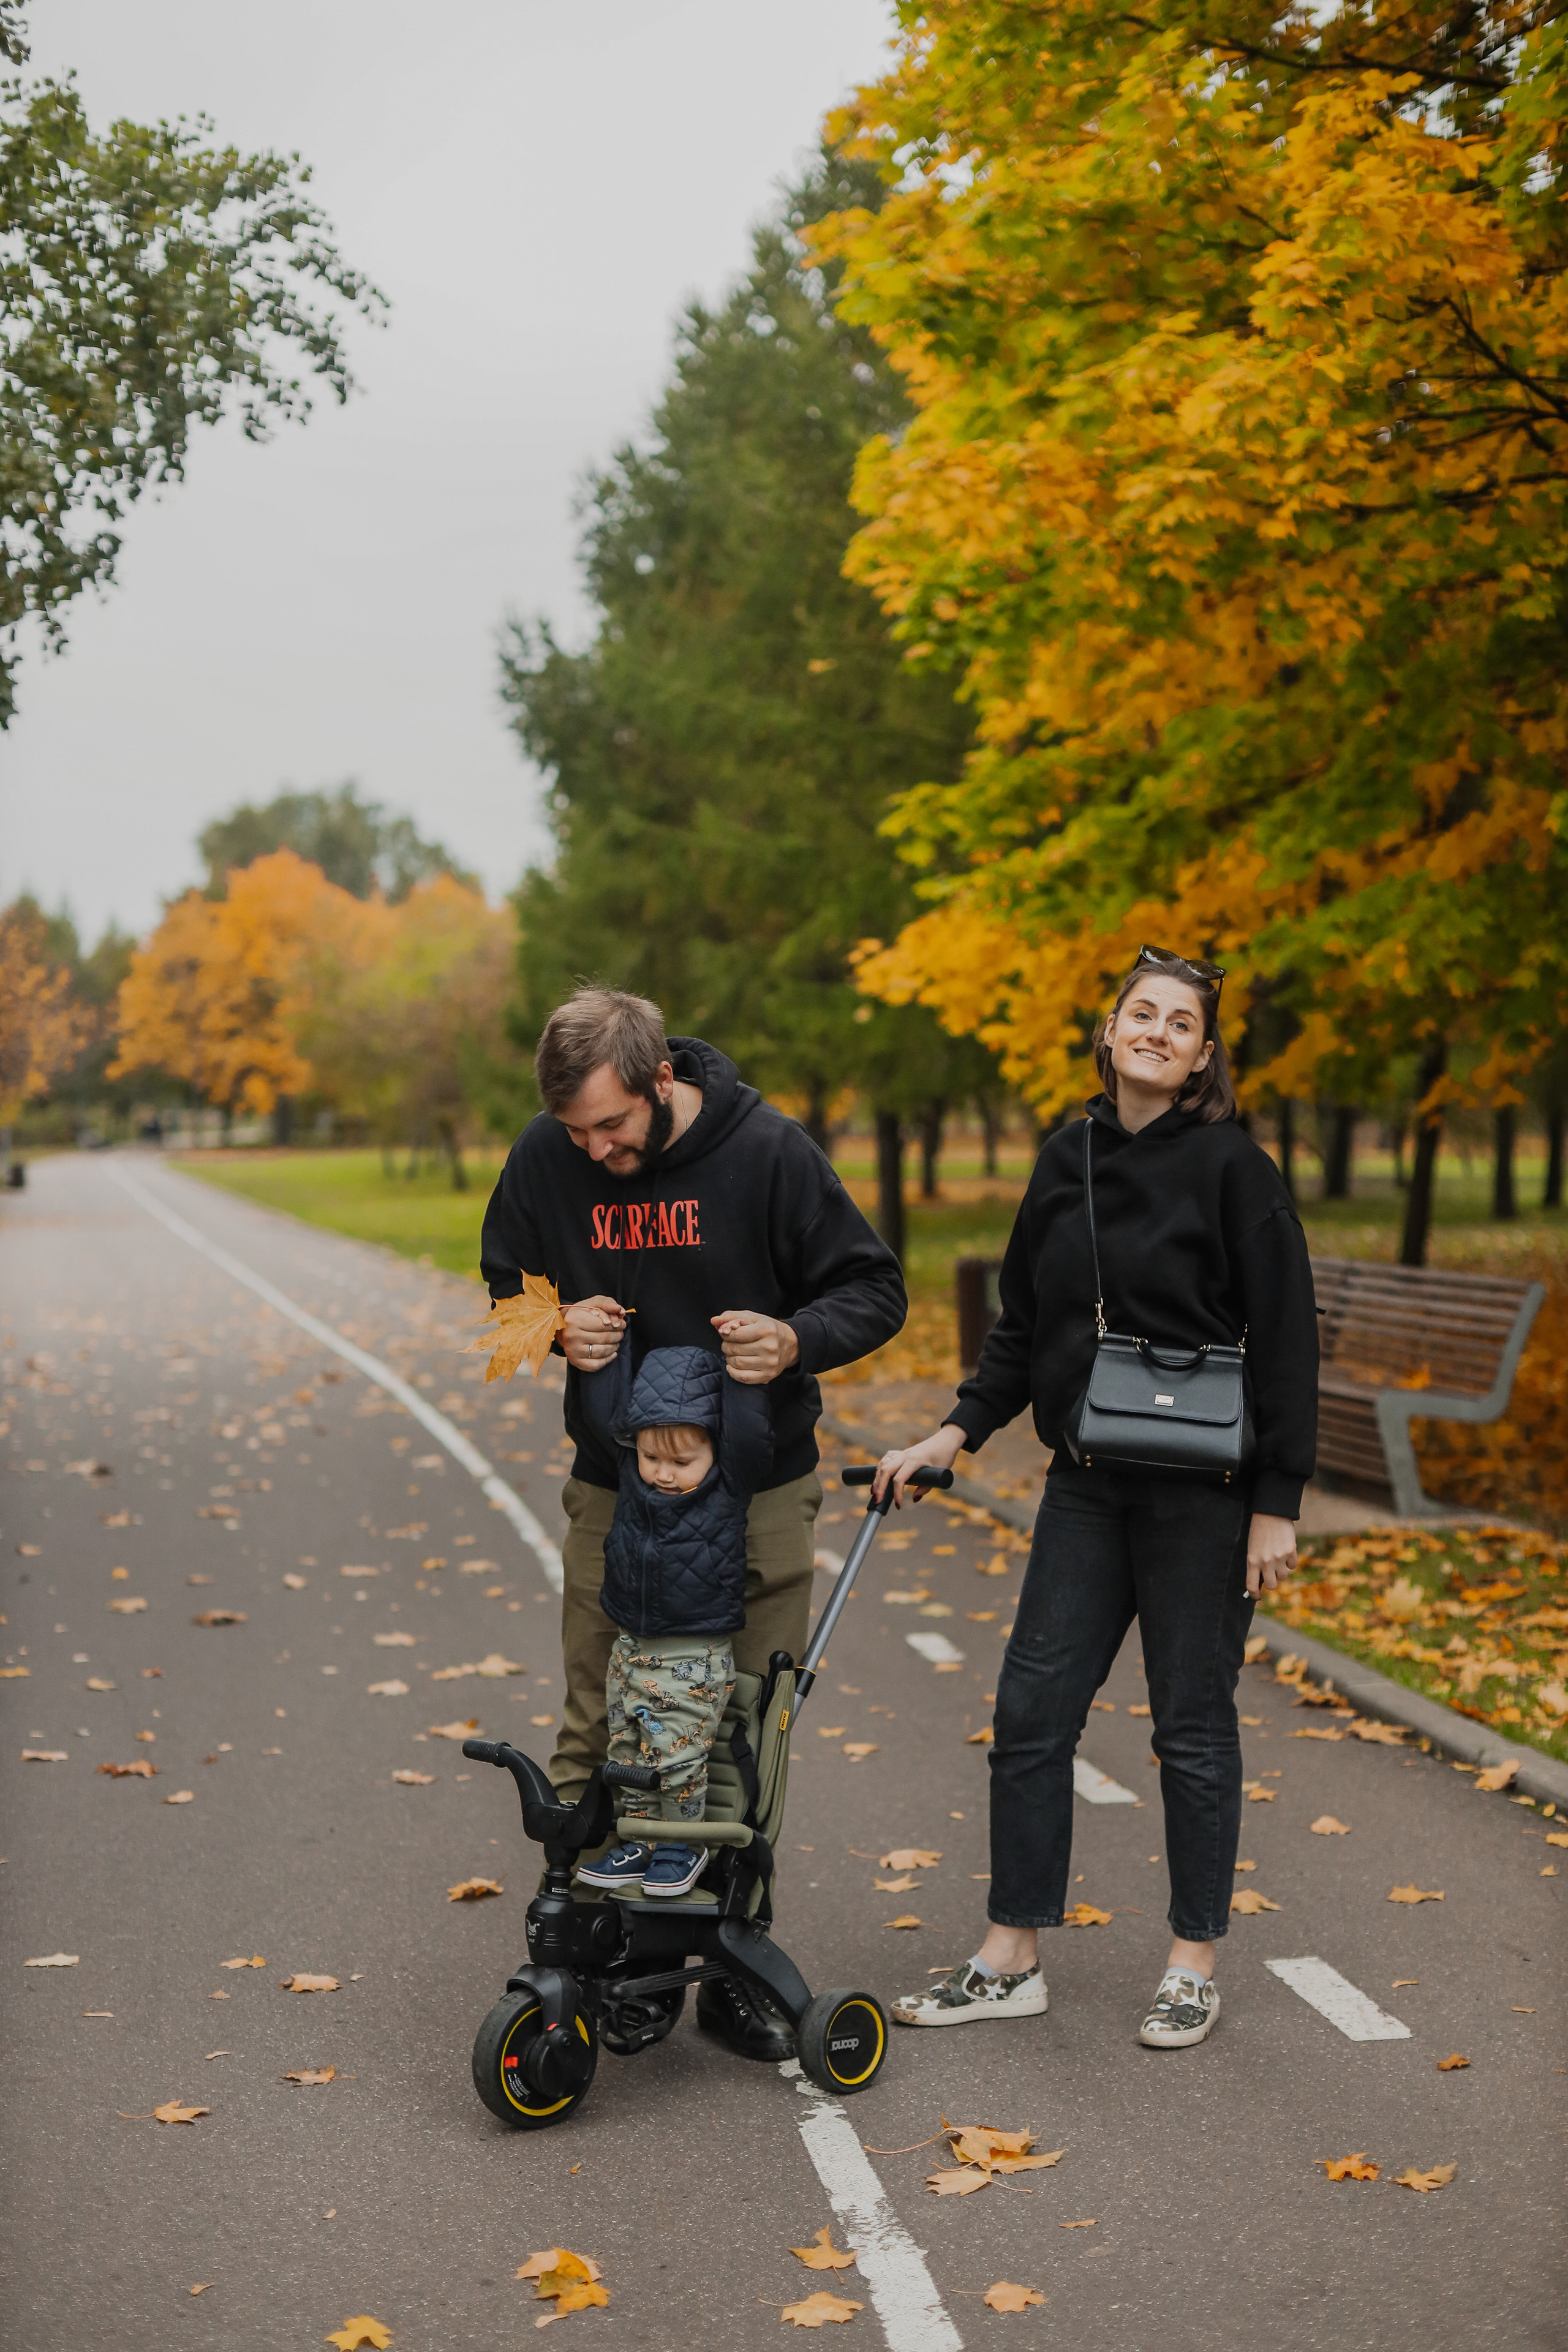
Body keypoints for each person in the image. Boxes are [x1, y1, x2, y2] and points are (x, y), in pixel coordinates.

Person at [873, 949, 1317, 2051]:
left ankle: (1192, 1961)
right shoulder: (1064, 1159)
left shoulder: (1236, 1171)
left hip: (1205, 1500)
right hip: (1085, 1488)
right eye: (1141, 1014)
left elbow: (1292, 1343)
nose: (1158, 1032)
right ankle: (1011, 1953)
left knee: (1192, 1728)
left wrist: (1279, 1500)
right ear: (1110, 1032)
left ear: (1205, 1056)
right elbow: (1027, 1325)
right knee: (1030, 1717)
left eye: (1182, 1022)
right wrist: (956, 1429)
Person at [480, 986, 907, 2057]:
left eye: (611, 1126)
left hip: (758, 1491)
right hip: (614, 1486)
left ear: (661, 1079)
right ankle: (605, 1954)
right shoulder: (546, 1157)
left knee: (747, 1723)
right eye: (576, 1130)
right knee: (602, 1714)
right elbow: (503, 1291)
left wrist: (796, 1338)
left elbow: (874, 1289)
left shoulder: (769, 1153)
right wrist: (551, 1321)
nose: (594, 1148)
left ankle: (735, 1964)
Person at [576, 1340, 769, 1901]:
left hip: (693, 1655)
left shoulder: (729, 1484)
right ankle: (640, 1838)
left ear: (715, 1449)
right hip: (631, 1646)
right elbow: (604, 1415)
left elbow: (750, 1430)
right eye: (650, 1457)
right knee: (627, 1751)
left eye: (682, 1462)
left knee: (678, 1755)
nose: (662, 1474)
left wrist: (741, 1370)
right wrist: (608, 1357)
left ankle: (681, 1843)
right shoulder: (633, 1481)